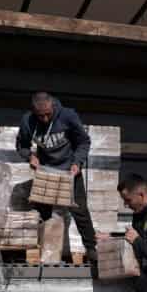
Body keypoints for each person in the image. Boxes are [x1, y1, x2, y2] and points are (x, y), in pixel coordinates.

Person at [17, 92, 97, 260]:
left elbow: (83, 142)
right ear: (34, 112)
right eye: (40, 116)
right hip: (46, 172)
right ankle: (46, 253)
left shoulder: (68, 116)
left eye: (48, 114)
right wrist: (30, 157)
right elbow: (22, 145)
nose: (45, 119)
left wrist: (77, 162)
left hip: (69, 171)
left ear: (53, 106)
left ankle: (92, 249)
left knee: (80, 211)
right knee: (43, 213)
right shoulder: (27, 121)